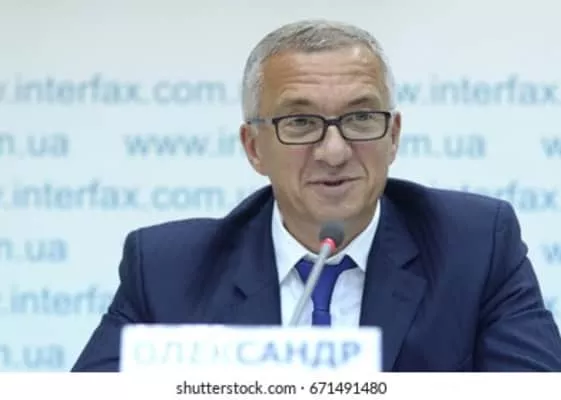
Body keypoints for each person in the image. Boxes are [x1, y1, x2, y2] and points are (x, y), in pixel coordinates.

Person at [71, 19, 561, 372]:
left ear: (393, 136)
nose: (334, 151)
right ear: (254, 147)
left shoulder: (474, 249)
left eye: (360, 118)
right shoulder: (167, 271)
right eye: (301, 122)